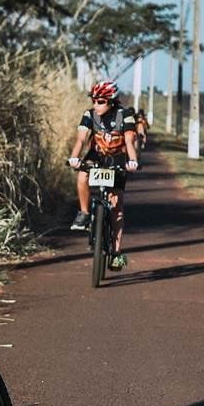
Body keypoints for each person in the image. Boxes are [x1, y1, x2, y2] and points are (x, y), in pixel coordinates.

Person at [67, 80, 140, 270]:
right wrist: (74, 157)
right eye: (94, 101)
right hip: (97, 155)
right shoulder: (89, 115)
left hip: (118, 157)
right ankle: (84, 213)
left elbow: (129, 141)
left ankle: (116, 252)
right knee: (82, 176)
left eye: (101, 101)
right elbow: (81, 139)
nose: (96, 105)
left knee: (117, 207)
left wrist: (133, 161)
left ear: (112, 101)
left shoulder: (125, 115)